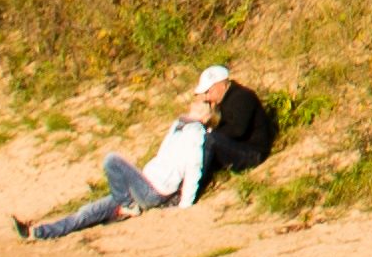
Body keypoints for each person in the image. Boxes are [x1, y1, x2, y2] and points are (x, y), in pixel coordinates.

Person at [18, 63, 276, 241]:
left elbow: (197, 166)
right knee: (89, 212)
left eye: (205, 98)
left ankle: (128, 205)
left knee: (112, 160)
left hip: (154, 190)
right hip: (145, 183)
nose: (202, 100)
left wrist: (184, 204)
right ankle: (39, 232)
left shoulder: (201, 133)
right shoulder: (179, 126)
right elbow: (163, 156)